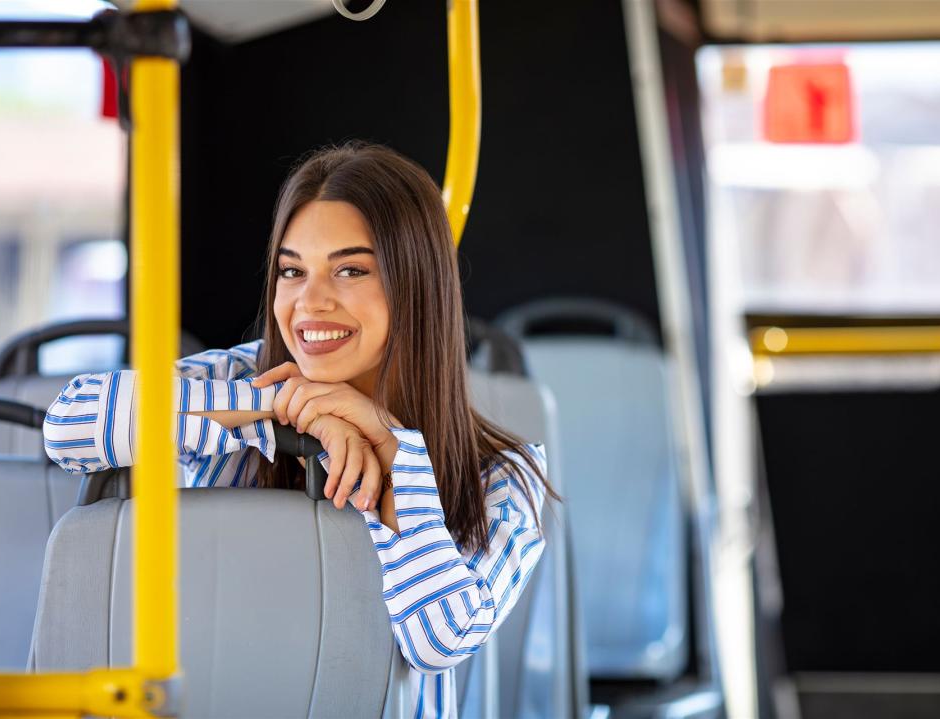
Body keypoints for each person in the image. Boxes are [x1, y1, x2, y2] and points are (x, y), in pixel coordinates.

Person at [44, 142, 558, 718]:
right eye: (292, 271)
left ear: (415, 284)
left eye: (350, 270)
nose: (310, 302)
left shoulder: (503, 477)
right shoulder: (240, 379)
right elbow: (68, 425)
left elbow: (439, 639)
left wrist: (393, 454)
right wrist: (278, 412)